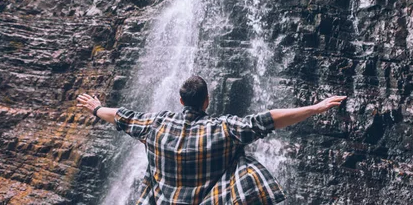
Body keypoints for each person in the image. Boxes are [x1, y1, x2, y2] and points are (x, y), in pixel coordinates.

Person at [77, 75, 346, 204]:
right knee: (244, 164)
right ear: (207, 100)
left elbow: (122, 116)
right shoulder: (224, 129)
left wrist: (97, 108)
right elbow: (269, 119)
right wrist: (316, 108)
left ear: (181, 101)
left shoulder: (154, 124)